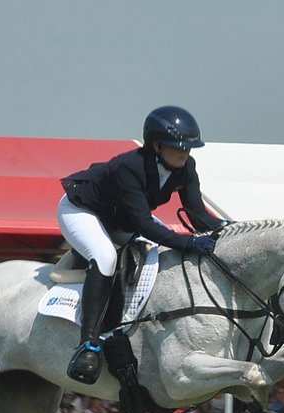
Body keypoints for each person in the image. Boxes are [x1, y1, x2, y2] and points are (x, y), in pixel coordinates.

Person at [57, 105, 226, 384]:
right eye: (179, 147)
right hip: (82, 211)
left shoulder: (186, 168)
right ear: (157, 146)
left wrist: (228, 229)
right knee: (105, 257)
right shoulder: (129, 167)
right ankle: (87, 345)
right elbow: (145, 225)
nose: (186, 153)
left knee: (163, 251)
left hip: (121, 218)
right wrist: (189, 243)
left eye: (189, 148)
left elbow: (196, 213)